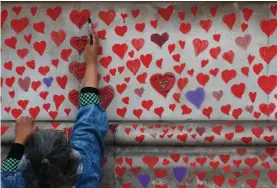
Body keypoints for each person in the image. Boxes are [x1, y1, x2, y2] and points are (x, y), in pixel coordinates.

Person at [1, 32, 108, 188]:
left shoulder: (17, 183)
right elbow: (89, 122)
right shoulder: (88, 169)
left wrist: (19, 141)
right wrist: (91, 63)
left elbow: (6, 177)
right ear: (71, 156)